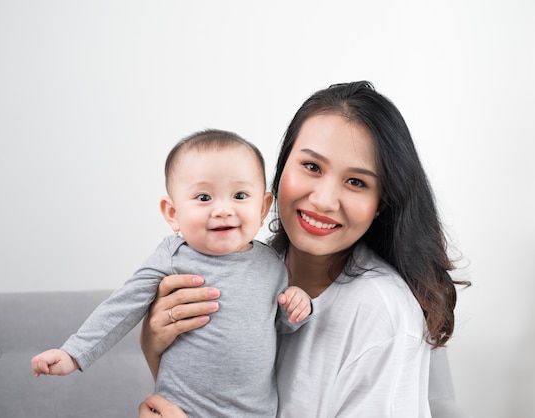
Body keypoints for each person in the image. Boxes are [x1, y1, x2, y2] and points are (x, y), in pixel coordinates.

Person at [138, 81, 470, 418]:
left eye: (357, 182)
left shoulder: (379, 311)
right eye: (312, 167)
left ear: (380, 202)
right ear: (281, 169)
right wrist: (154, 348)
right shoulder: (250, 266)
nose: (323, 201)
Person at [31, 129, 312, 417]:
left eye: (240, 195)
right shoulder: (173, 256)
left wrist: (297, 305)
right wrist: (73, 353)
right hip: (181, 410)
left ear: (263, 206)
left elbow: (279, 326)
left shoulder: (272, 264)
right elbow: (121, 307)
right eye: (204, 197)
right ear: (172, 213)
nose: (223, 210)